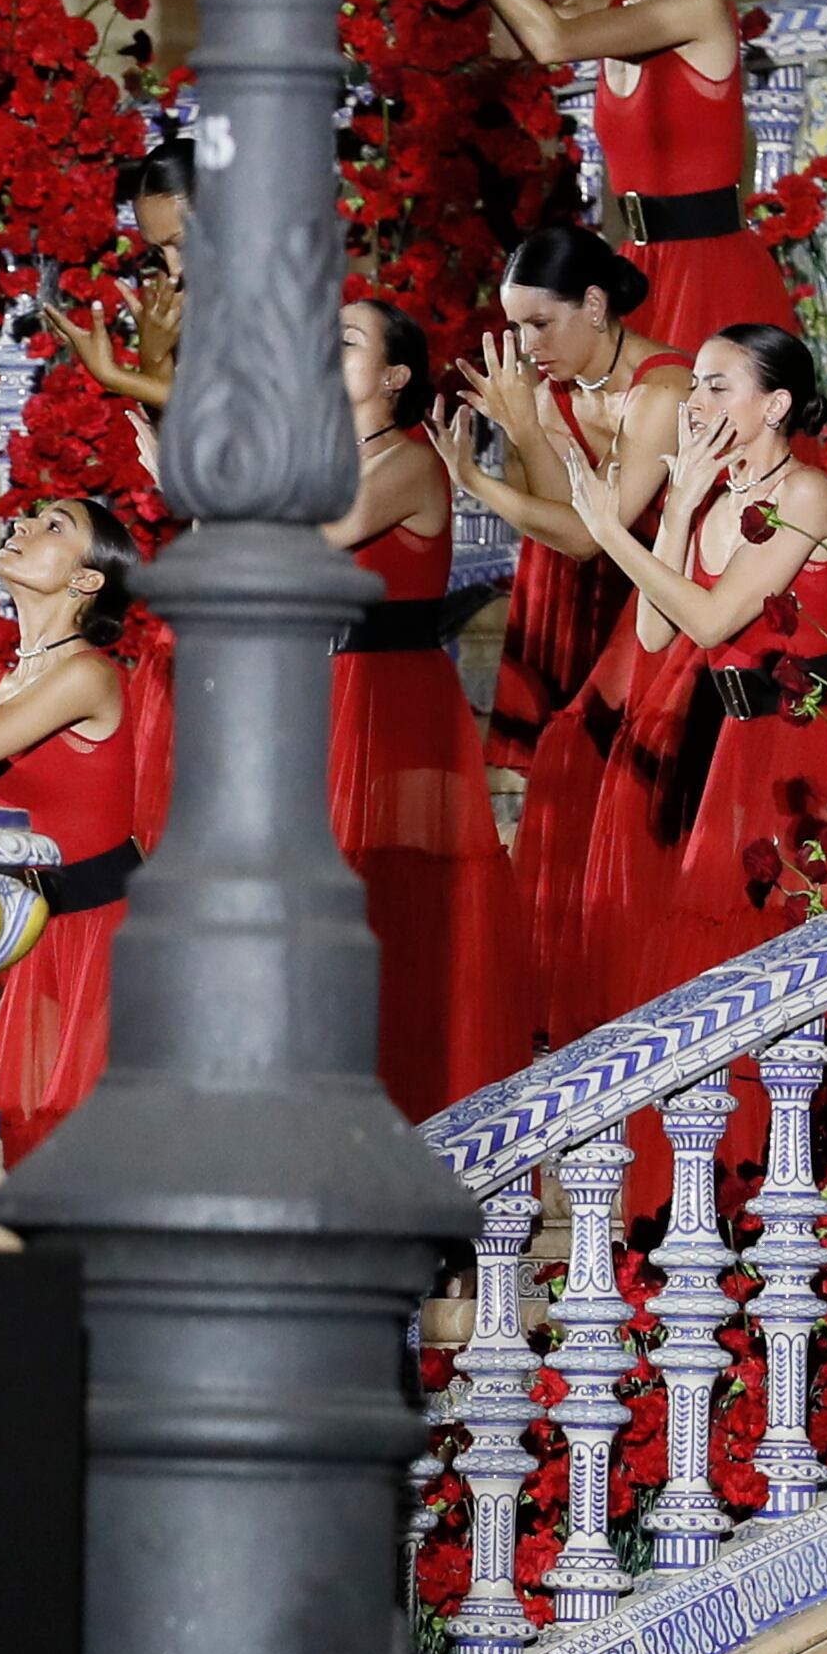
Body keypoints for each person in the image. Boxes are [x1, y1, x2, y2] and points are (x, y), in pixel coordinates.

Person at [554, 323, 827, 1014]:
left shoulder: (805, 493)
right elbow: (653, 630)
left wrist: (609, 533)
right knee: (718, 953)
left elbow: (710, 621)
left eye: (716, 385)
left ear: (776, 405)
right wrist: (677, 506)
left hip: (808, 746)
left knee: (793, 950)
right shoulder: (715, 501)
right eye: (693, 383)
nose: (693, 400)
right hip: (737, 743)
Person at [434, 0, 792, 351]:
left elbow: (552, 40)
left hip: (710, 267)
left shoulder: (699, 3)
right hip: (637, 264)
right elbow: (508, 42)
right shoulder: (603, 6)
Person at [324, 303, 533, 1118]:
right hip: (325, 693)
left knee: (390, 905)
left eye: (343, 341)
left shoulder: (408, 463)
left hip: (387, 696)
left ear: (394, 376)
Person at [432, 225, 693, 843]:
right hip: (587, 593)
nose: (527, 346)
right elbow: (563, 516)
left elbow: (585, 537)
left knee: (623, 808)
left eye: (540, 324)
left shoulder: (664, 390)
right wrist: (525, 425)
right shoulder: (555, 395)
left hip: (662, 604)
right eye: (517, 328)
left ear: (596, 306)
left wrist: (475, 479)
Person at [0, 498, 149, 1162]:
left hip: (100, 936)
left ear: (87, 581)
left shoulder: (86, 674)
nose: (21, 526)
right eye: (29, 518)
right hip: (27, 933)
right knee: (28, 1138)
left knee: (90, 1144)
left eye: (54, 527)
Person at [42, 139, 196, 410]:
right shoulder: (171, 288)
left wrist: (112, 376)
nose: (174, 268)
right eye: (158, 251)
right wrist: (154, 355)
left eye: (182, 244)